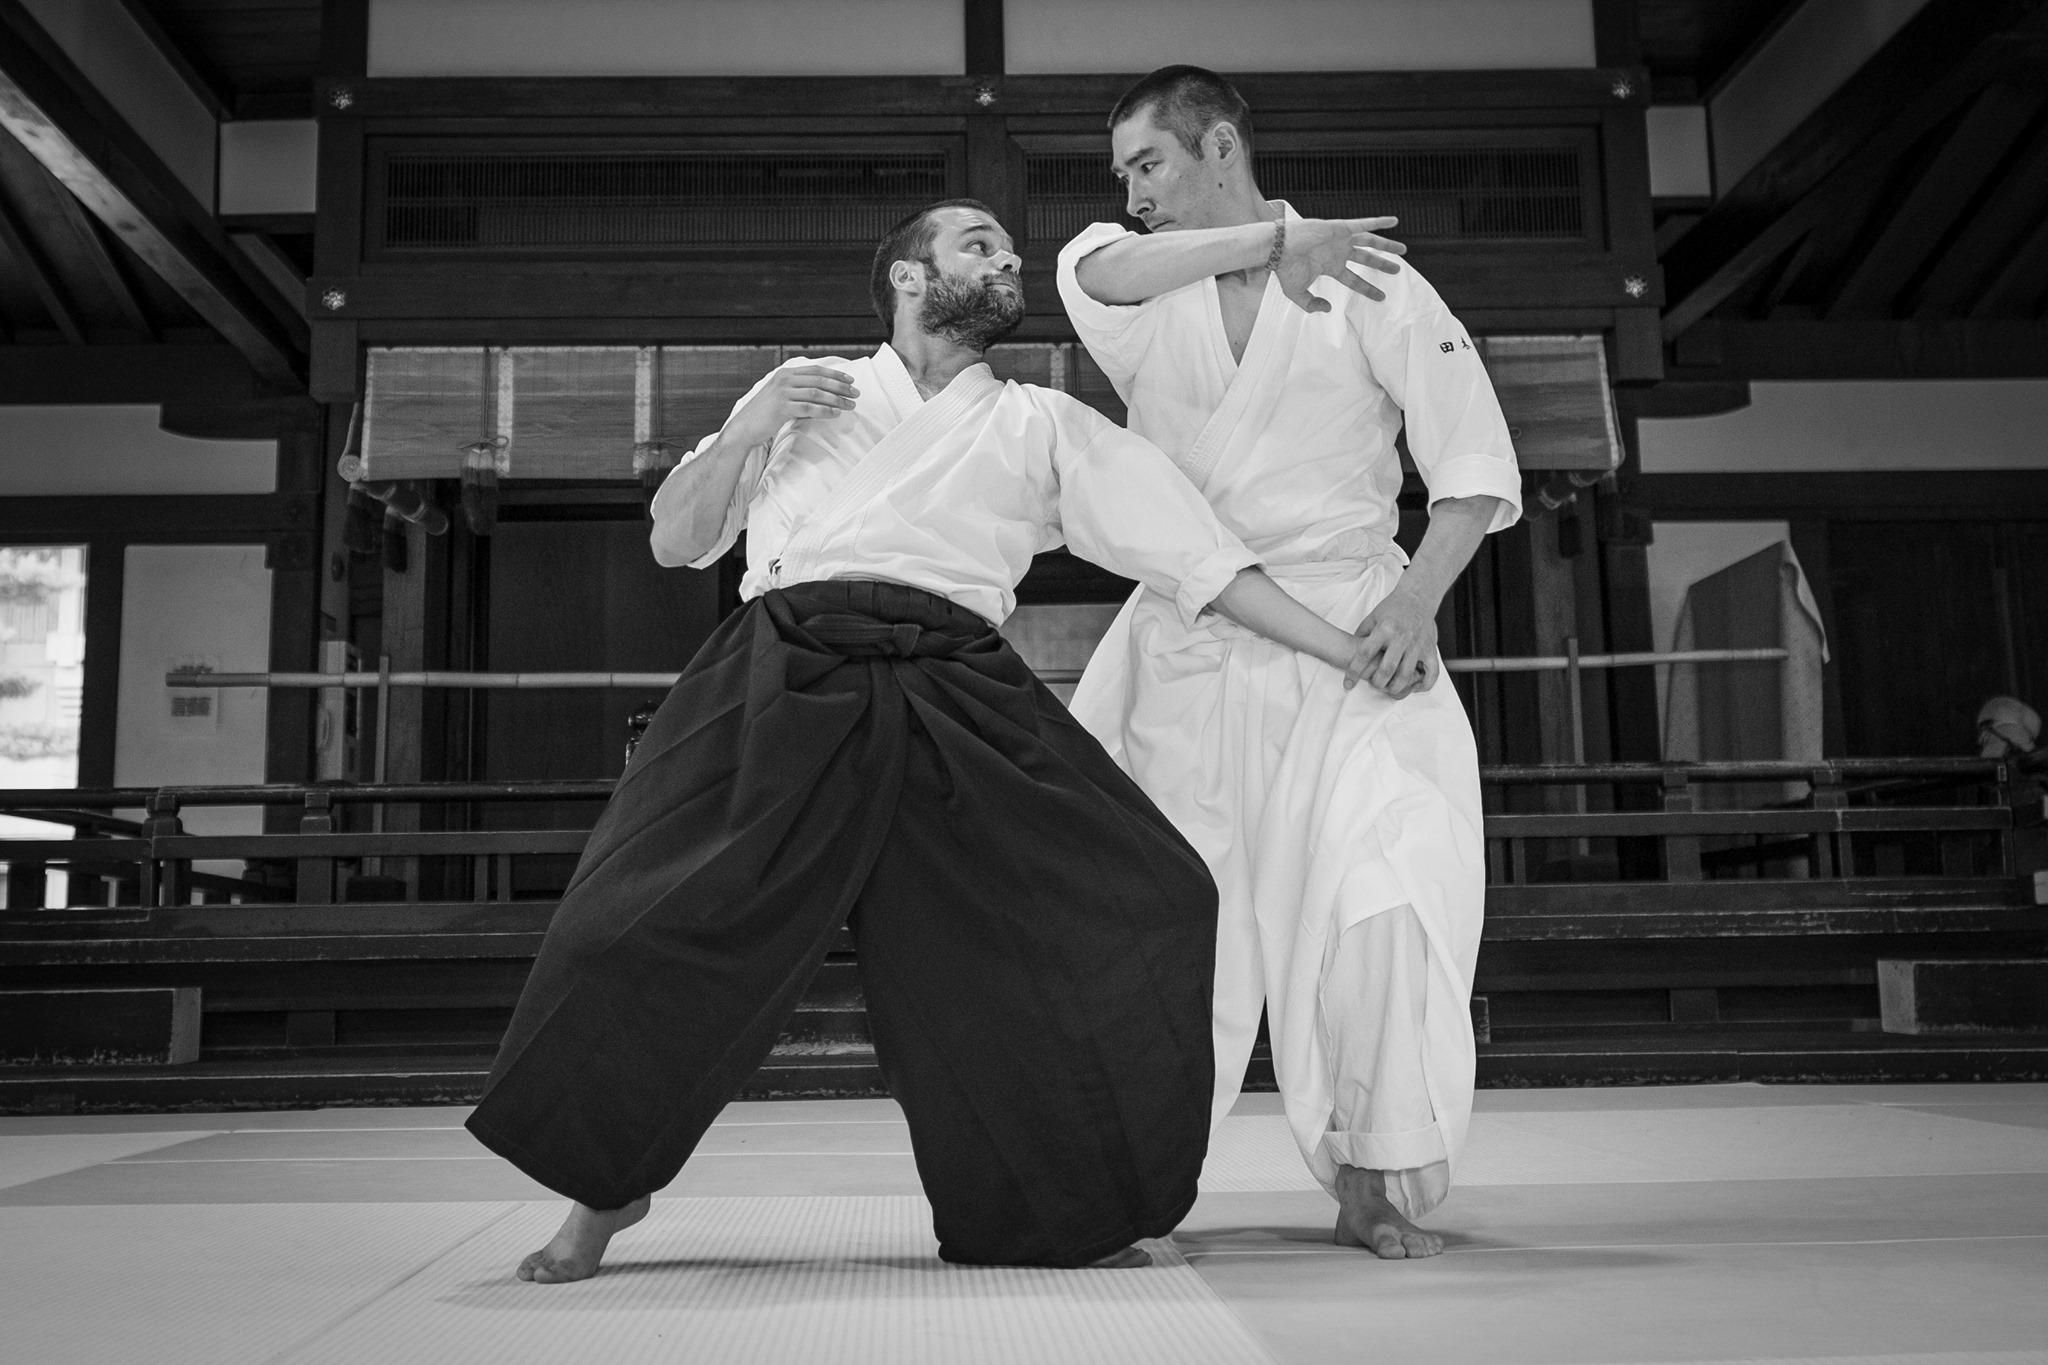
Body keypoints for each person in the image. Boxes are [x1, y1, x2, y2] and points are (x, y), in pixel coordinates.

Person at [466, 198, 1389, 1283]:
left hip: (954, 679)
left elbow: (1203, 561)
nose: (1006, 262)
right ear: (908, 276)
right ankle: (603, 1189)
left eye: (1008, 252)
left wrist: (1348, 647)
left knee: (1145, 896)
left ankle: (1062, 1205)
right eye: (978, 246)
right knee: (635, 920)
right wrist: (752, 425)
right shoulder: (807, 392)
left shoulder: (1041, 421)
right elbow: (678, 540)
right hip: (783, 664)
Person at [1058, 66, 1525, 1260]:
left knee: (1385, 895)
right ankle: (1131, 1180)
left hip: (1353, 633)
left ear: (1218, 145)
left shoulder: (1374, 281)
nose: (1130, 192)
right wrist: (1274, 244)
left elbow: (1470, 462)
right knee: (1162, 927)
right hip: (1189, 640)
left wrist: (1415, 603)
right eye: (1121, 173)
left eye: (1148, 164)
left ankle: (1373, 1176)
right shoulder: (1124, 276)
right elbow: (1100, 273)